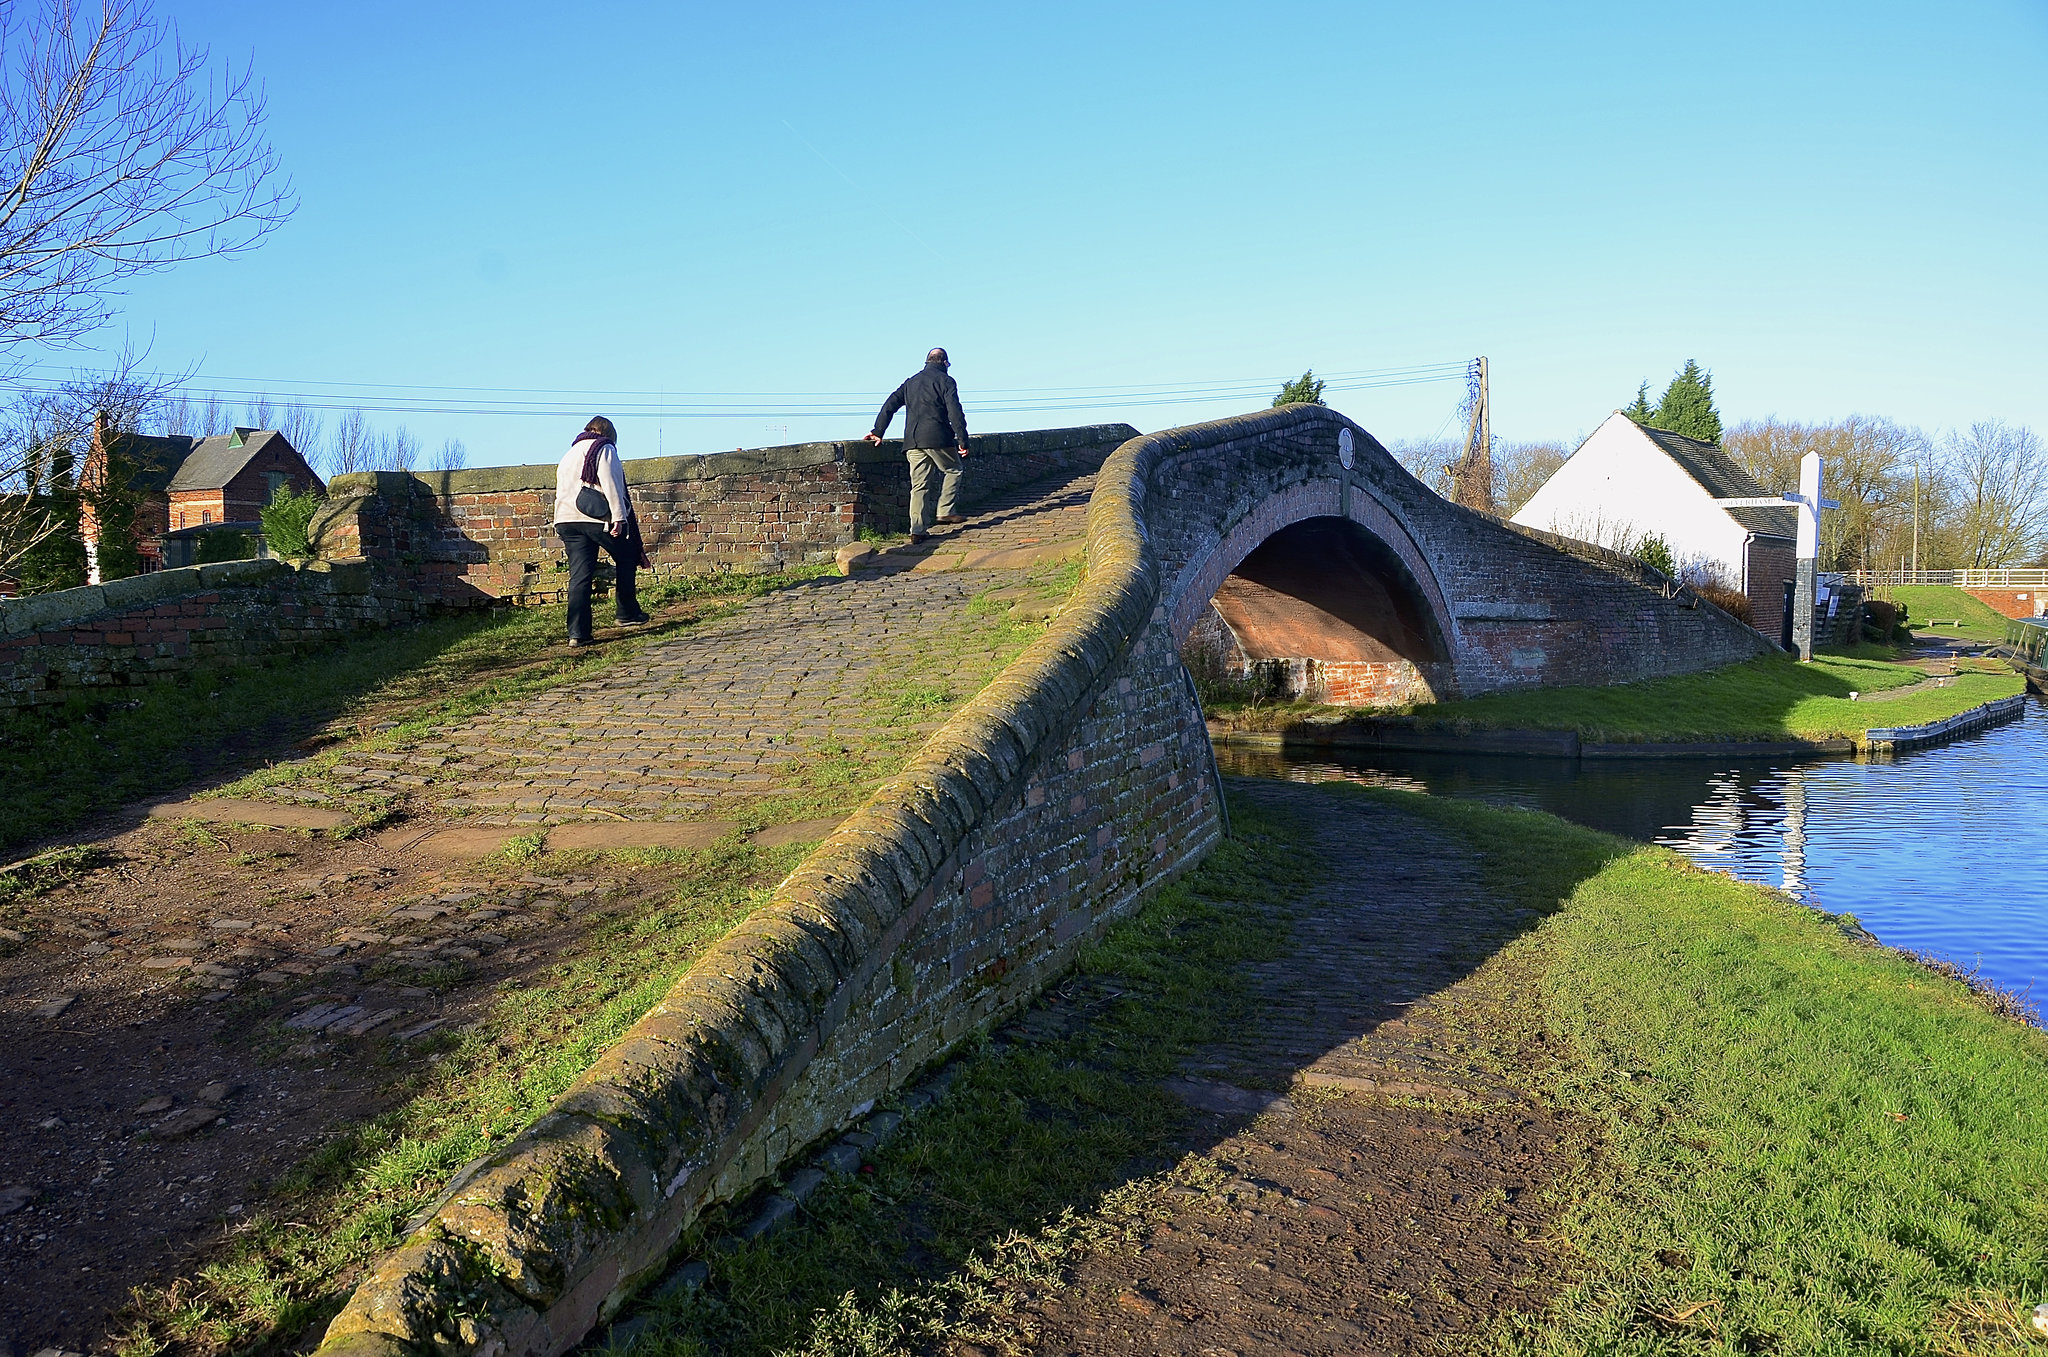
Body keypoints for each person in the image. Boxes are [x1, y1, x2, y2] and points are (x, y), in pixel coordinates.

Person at [554, 415, 650, 647]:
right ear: (609, 435)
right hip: (595, 517)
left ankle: (578, 634)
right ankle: (627, 612)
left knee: (579, 576)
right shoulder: (604, 447)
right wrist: (618, 517)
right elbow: (611, 482)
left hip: (566, 520)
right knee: (627, 555)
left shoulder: (568, 454)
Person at [864, 347, 971, 543]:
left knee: (919, 486)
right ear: (945, 363)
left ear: (927, 361)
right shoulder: (946, 381)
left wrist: (878, 431)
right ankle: (945, 510)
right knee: (954, 469)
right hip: (937, 437)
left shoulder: (910, 382)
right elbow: (955, 411)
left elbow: (890, 404)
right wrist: (962, 439)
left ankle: (917, 530)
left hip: (912, 441)